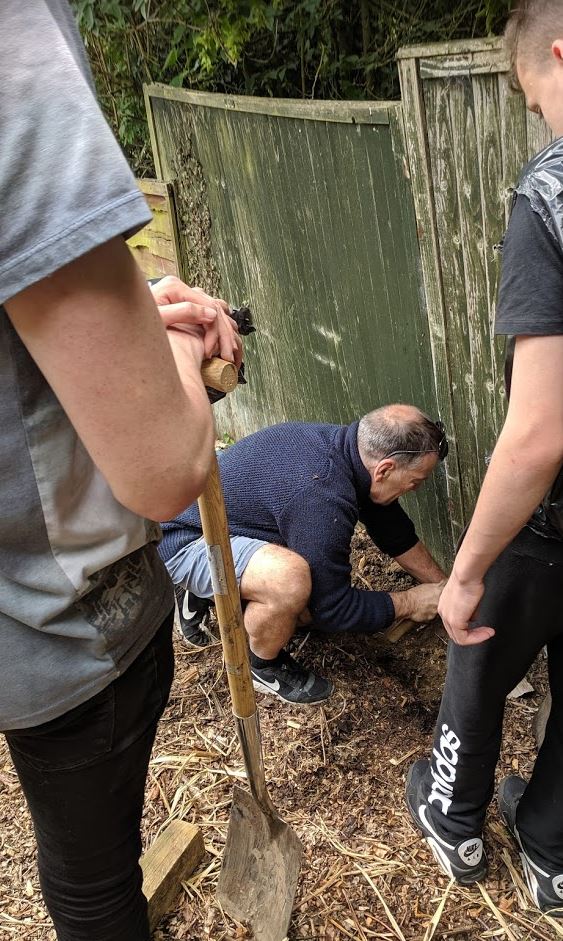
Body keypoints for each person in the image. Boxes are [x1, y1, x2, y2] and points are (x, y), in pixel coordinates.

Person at [1, 3, 241, 940]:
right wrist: (172, 358)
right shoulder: (15, 40)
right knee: (95, 887)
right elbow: (164, 467)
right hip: (61, 625)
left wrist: (125, 317)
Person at [405, 0, 563, 917]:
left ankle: (454, 814)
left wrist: (460, 570)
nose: (538, 115)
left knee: (475, 648)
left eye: (532, 95)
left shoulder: (547, 192)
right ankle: (550, 851)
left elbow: (539, 430)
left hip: (550, 521)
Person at [159, 404, 448, 705]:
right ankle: (261, 666)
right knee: (290, 581)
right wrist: (411, 602)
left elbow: (393, 531)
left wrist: (445, 588)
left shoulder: (348, 453)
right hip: (187, 539)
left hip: (220, 519)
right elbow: (333, 609)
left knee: (306, 575)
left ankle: (214, 588)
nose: (415, 489)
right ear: (385, 469)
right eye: (416, 481)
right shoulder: (322, 493)